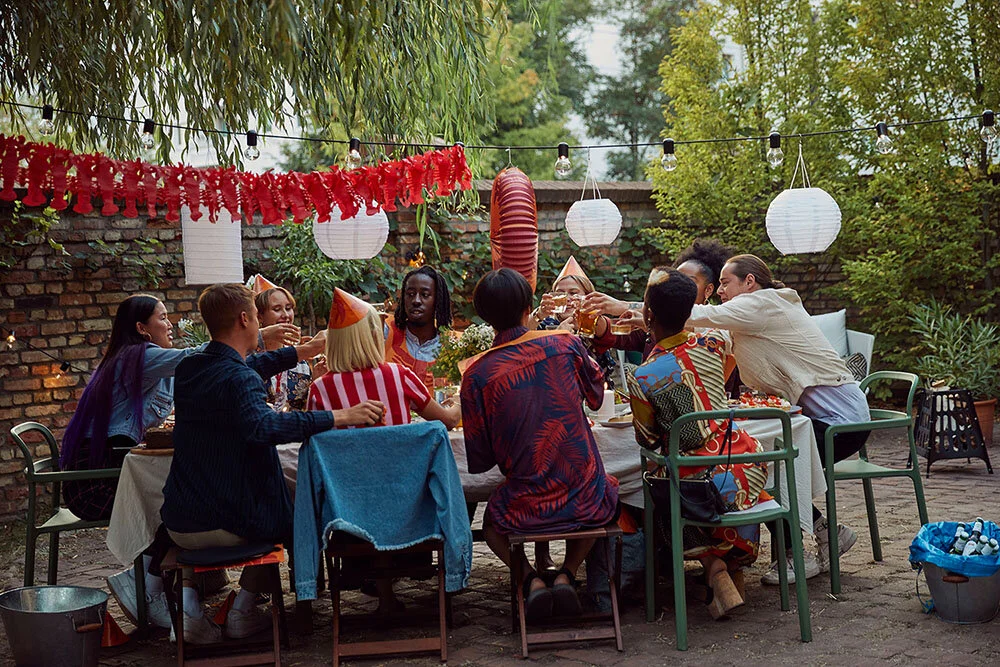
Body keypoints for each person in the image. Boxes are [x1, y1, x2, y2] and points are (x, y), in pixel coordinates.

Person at [160, 283, 384, 643]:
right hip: (226, 523)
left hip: (179, 520)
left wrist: (302, 350)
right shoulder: (240, 378)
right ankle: (244, 610)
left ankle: (189, 612)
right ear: (247, 318)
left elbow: (246, 364)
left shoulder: (190, 367)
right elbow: (263, 425)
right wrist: (338, 416)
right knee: (292, 516)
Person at [686, 254, 868, 585]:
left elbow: (701, 314)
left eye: (725, 284)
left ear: (749, 282)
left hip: (842, 420)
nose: (720, 292)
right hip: (822, 417)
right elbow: (709, 331)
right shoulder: (751, 316)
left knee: (762, 464)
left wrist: (637, 309)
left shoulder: (765, 303)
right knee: (758, 459)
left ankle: (799, 553)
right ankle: (827, 533)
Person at [461, 268, 620, 623]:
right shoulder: (564, 343)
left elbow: (481, 458)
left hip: (525, 502)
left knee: (491, 524)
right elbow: (597, 397)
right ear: (529, 306)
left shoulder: (476, 374)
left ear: (483, 316)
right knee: (607, 491)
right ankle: (567, 573)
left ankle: (531, 580)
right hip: (585, 494)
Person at [307, 287, 461, 613]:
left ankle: (379, 592)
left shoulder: (319, 391)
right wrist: (459, 401)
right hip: (410, 513)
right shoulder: (397, 375)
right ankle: (440, 592)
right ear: (371, 337)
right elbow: (444, 423)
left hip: (347, 518)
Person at [628, 268, 769, 620]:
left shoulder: (643, 376)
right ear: (691, 312)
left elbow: (647, 440)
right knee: (713, 480)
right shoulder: (715, 342)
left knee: (660, 482)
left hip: (700, 485)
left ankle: (713, 567)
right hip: (747, 468)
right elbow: (721, 374)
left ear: (648, 315)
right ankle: (727, 564)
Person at [59, 294, 193, 630]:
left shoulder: (143, 361)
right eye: (163, 318)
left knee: (181, 493)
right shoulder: (138, 357)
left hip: (105, 467)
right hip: (92, 482)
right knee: (179, 500)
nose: (171, 324)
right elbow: (196, 359)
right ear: (141, 328)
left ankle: (150, 584)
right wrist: (251, 338)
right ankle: (148, 589)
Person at [254, 283, 321, 411]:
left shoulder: (300, 360)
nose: (285, 315)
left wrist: (316, 381)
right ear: (260, 316)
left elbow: (306, 409)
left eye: (289, 308)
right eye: (277, 309)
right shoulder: (251, 357)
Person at [385, 265, 452, 389]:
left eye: (425, 295)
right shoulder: (386, 333)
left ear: (437, 300)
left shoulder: (454, 346)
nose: (416, 301)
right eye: (410, 294)